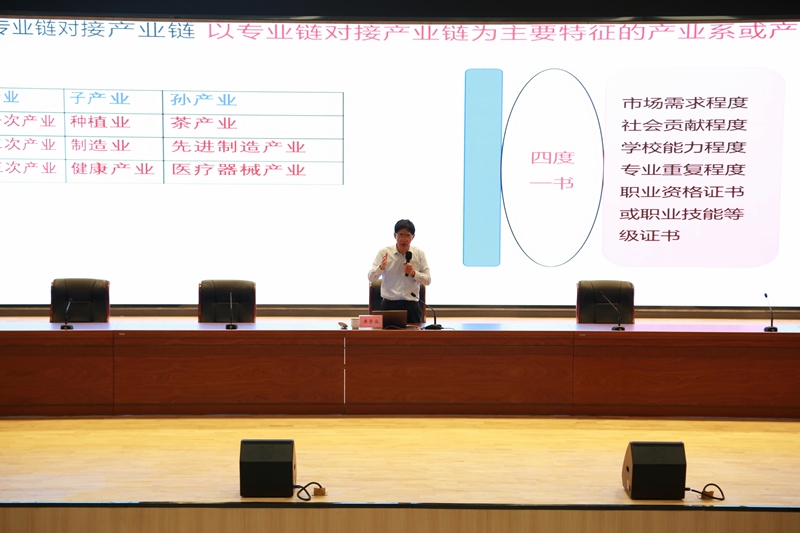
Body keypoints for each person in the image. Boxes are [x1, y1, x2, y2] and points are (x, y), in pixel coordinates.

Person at [368, 219, 431, 324]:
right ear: (395, 235)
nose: (404, 239)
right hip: (389, 305)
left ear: (413, 237)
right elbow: (371, 278)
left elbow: (428, 280)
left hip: (412, 306)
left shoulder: (419, 254)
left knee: (414, 335)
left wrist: (414, 273)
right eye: (401, 235)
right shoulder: (384, 253)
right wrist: (381, 268)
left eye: (408, 235)